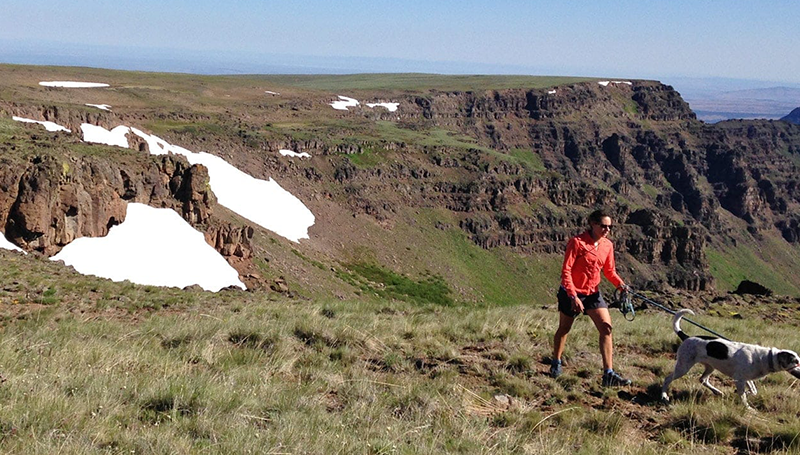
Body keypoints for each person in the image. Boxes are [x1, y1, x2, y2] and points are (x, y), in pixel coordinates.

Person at [550, 209, 631, 386]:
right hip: (571, 293)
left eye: (609, 227)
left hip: (592, 293)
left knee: (606, 328)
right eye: (603, 226)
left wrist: (621, 285)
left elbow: (609, 271)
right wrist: (573, 296)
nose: (607, 230)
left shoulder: (607, 245)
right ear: (592, 224)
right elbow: (566, 271)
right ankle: (556, 362)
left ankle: (608, 373)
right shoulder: (577, 243)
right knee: (564, 328)